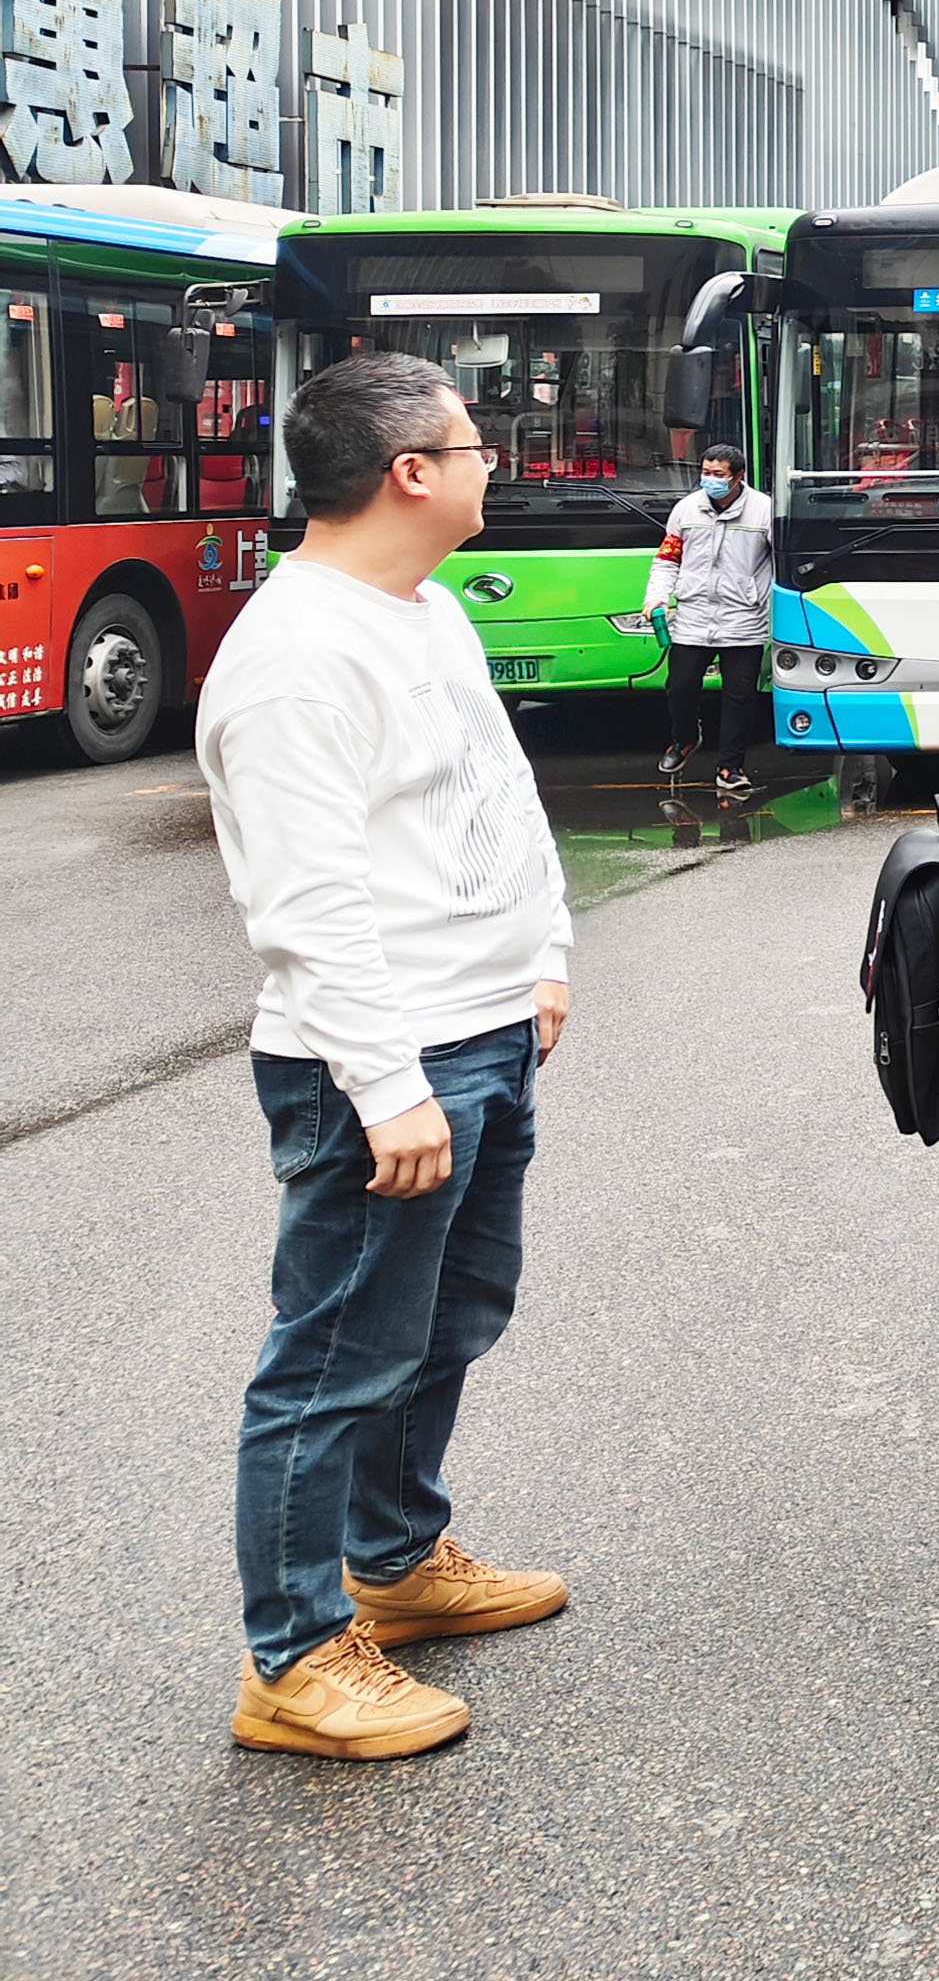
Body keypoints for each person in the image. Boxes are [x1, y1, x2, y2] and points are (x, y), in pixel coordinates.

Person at [207, 351, 575, 1760]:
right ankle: (295, 1659)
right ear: (411, 473)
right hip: (383, 1061)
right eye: (476, 445)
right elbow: (304, 907)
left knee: (451, 1317)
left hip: (482, 1032)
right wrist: (384, 1084)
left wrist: (545, 952)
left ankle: (398, 1561)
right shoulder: (295, 659)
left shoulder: (427, 609)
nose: (495, 466)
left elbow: (495, 792)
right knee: (332, 1363)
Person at [647, 442, 773, 792]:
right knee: (680, 687)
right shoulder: (686, 509)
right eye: (705, 473)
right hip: (693, 617)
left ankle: (730, 767)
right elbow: (667, 559)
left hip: (743, 618)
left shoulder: (764, 511)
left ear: (738, 477)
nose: (710, 480)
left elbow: (781, 559)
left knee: (739, 696)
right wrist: (656, 598)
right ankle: (685, 738)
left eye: (718, 474)